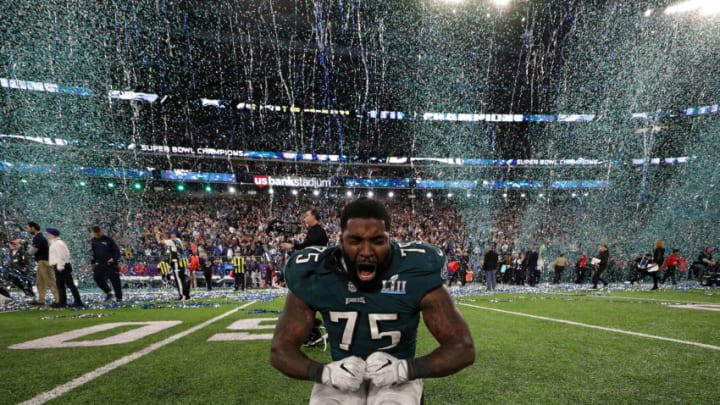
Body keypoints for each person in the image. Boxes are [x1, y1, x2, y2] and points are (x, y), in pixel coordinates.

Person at [271, 198, 475, 404]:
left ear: (389, 240)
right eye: (356, 241)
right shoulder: (315, 271)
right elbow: (281, 348)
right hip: (342, 373)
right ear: (341, 241)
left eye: (377, 241)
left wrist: (407, 369)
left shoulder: (415, 269)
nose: (367, 251)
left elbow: (462, 347)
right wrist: (324, 373)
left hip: (398, 376)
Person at [46, 228, 83, 308]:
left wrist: (60, 266)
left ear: (52, 234)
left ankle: (77, 301)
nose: (47, 235)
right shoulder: (56, 243)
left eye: (48, 233)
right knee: (60, 285)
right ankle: (62, 302)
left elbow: (61, 256)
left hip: (62, 266)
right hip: (60, 265)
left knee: (69, 284)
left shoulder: (58, 243)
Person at [26, 221, 59, 306]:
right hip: (41, 263)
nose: (28, 230)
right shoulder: (39, 238)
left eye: (28, 228)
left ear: (33, 228)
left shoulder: (38, 238)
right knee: (40, 282)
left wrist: (26, 248)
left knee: (50, 281)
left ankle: (58, 300)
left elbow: (31, 252)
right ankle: (41, 300)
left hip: (44, 262)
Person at [91, 226, 123, 302]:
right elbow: (93, 253)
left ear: (101, 231)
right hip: (100, 264)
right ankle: (108, 292)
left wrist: (113, 258)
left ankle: (119, 298)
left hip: (111, 264)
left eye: (98, 232)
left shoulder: (108, 240)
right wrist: (92, 262)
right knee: (96, 278)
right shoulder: (93, 241)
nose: (97, 234)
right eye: (96, 233)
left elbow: (117, 252)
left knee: (115, 281)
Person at [157, 229, 191, 300]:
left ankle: (182, 296)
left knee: (179, 280)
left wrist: (157, 233)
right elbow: (167, 240)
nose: (170, 235)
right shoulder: (178, 241)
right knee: (183, 279)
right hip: (182, 263)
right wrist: (162, 233)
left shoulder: (173, 241)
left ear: (174, 234)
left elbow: (161, 241)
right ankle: (187, 295)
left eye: (171, 234)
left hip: (176, 263)